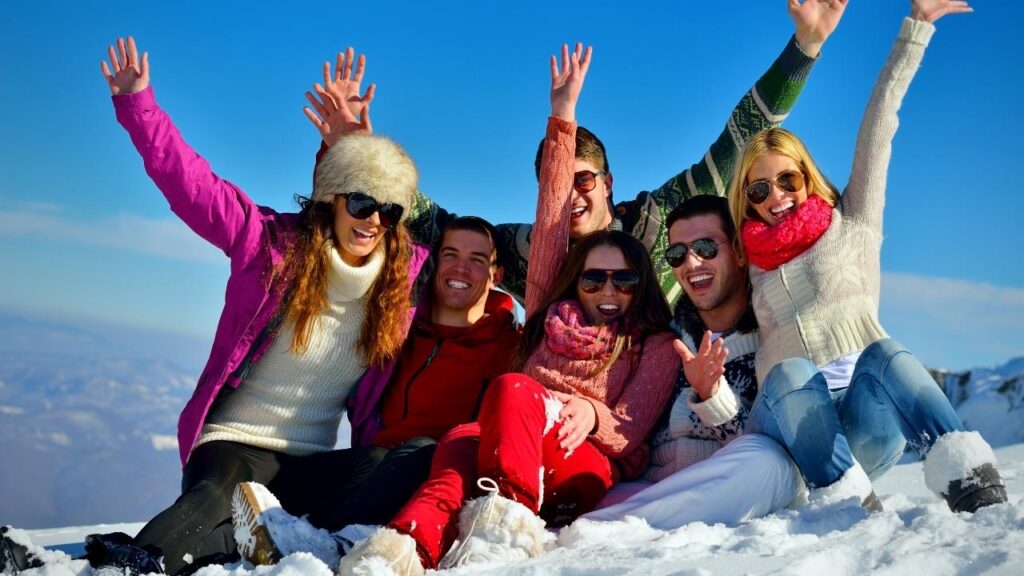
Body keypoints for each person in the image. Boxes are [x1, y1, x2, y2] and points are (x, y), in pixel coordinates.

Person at [83, 38, 424, 576]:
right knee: (215, 497)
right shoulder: (271, 245)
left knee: (404, 460)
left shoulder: (400, 280)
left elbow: (478, 255)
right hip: (234, 447)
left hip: (307, 465)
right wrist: (139, 107)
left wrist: (355, 146)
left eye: (388, 209)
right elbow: (193, 186)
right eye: (360, 202)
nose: (373, 219)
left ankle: (277, 539)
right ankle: (132, 566)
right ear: (332, 200)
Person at [333, 47, 681, 575]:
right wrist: (359, 153)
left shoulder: (651, 344)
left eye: (623, 278)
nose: (607, 288)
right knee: (457, 445)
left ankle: (505, 540)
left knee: (512, 388)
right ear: (574, 282)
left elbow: (630, 429)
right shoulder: (550, 311)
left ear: (641, 286)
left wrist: (591, 413)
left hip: (579, 459)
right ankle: (402, 548)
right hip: (512, 438)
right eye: (593, 276)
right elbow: (549, 222)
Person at [308, 1, 849, 307]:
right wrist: (356, 150)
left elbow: (737, 141)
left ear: (608, 182)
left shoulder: (658, 221)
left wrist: (803, 49)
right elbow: (433, 224)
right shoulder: (522, 248)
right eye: (556, 184)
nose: (570, 196)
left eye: (583, 180)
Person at [729, 0, 1008, 513]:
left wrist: (916, 29)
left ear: (806, 175)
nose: (774, 197)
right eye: (758, 189)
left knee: (886, 353)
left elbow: (880, 125)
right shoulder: (746, 257)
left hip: (863, 426)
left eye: (786, 179)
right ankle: (847, 506)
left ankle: (974, 487)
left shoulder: (853, 223)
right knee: (789, 373)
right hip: (790, 428)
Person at [229, 216, 521, 568]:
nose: (461, 268)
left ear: (497, 275)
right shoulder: (400, 327)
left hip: (437, 479)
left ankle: (320, 542)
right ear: (436, 261)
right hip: (372, 464)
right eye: (450, 254)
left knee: (423, 450)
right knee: (278, 477)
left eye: (477, 260)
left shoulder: (511, 349)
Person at [583, 195, 801, 528]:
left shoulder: (775, 338)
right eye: (677, 254)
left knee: (770, 462)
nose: (692, 263)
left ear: (740, 253)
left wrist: (713, 397)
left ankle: (609, 528)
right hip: (653, 489)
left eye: (706, 247)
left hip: (735, 482)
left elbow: (774, 446)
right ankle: (608, 525)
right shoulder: (661, 341)